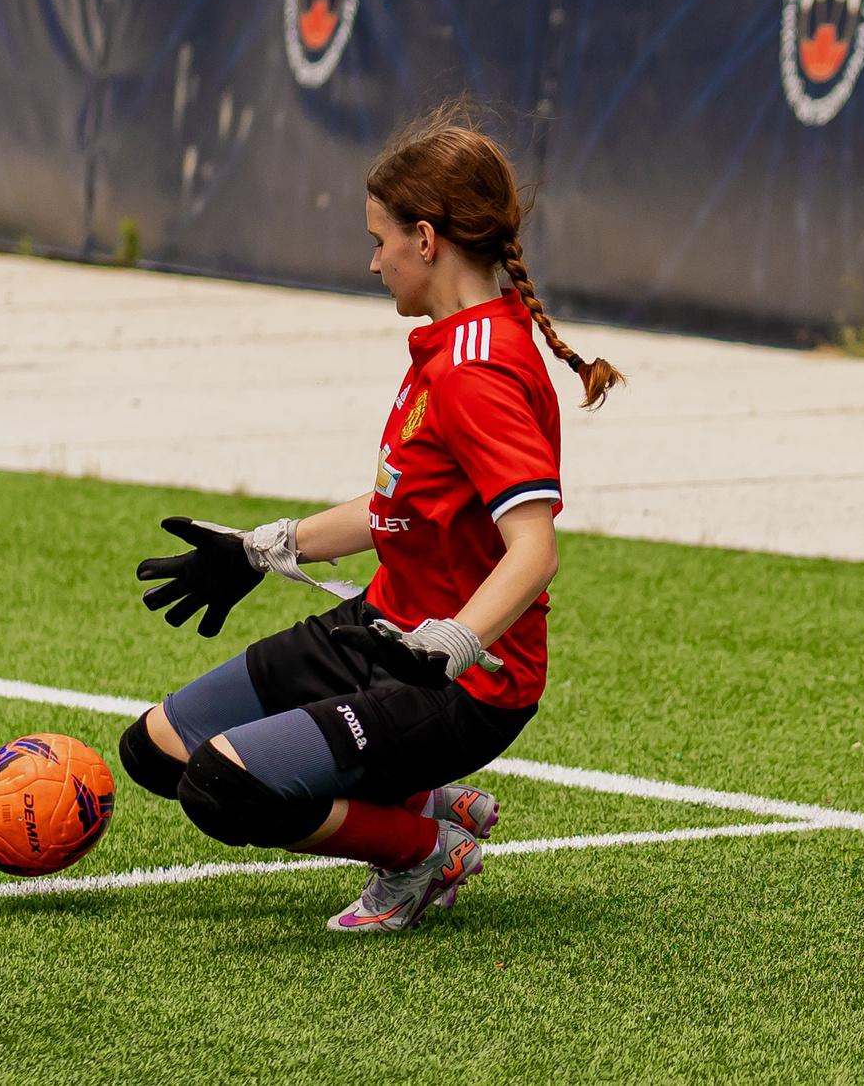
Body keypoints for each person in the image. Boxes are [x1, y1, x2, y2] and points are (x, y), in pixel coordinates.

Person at [114, 107, 624, 933]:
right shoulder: (449, 344)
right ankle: (423, 798)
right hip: (382, 629)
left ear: (426, 239)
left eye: (380, 241)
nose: (374, 261)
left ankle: (420, 850)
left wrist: (450, 645)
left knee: (220, 784)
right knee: (156, 750)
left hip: (461, 682)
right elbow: (396, 509)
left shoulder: (477, 370)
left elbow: (534, 550)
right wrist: (258, 550)